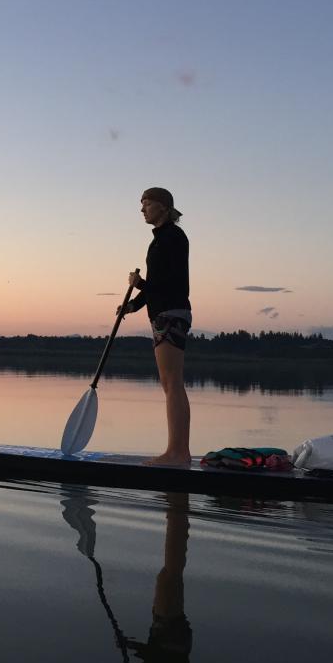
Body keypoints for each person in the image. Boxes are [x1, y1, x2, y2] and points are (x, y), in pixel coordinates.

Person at [121, 187, 192, 466]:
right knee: (170, 383)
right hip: (164, 312)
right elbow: (158, 284)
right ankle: (178, 452)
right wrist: (133, 305)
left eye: (147, 204)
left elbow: (169, 283)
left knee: (172, 383)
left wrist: (139, 285)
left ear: (163, 206)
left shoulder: (173, 237)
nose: (142, 209)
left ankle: (177, 453)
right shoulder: (160, 240)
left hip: (171, 313)